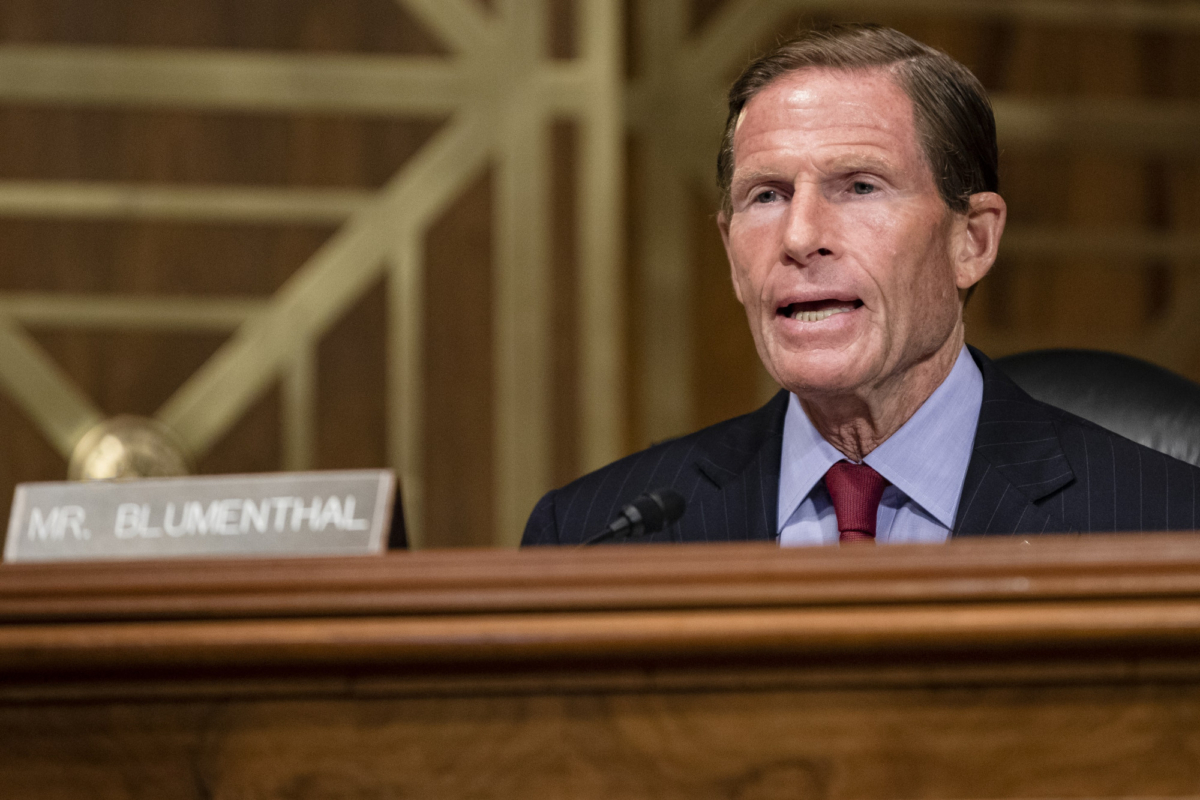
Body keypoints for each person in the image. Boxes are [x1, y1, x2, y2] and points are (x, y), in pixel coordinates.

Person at [523, 23, 1200, 547]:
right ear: (731, 255)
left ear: (972, 241)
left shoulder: (1168, 521)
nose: (798, 237)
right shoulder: (590, 535)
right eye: (767, 195)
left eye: (860, 187)